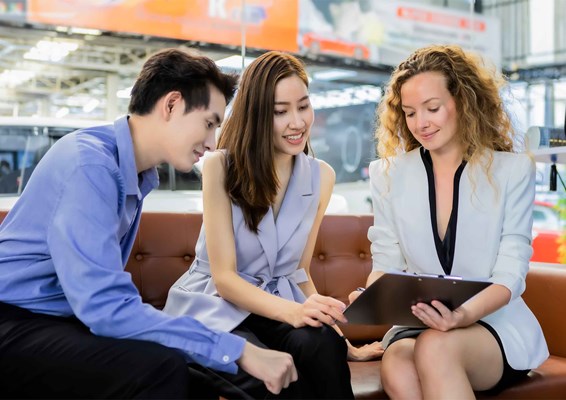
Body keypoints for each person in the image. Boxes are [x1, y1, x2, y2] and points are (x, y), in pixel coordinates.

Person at [0, 48, 298, 399]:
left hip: (55, 320)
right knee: (162, 369)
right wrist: (240, 350)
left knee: (193, 375)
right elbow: (104, 307)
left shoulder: (136, 175)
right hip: (14, 323)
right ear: (171, 105)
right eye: (209, 122)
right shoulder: (91, 166)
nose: (213, 141)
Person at [164, 50, 380, 399]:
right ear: (258, 115)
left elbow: (299, 272)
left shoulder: (321, 175)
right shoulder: (221, 167)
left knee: (323, 345)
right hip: (217, 303)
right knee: (276, 375)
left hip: (277, 303)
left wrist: (344, 344)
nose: (297, 122)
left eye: (303, 106)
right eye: (281, 112)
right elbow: (225, 279)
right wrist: (295, 312)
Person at [349, 44, 549, 398]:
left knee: (435, 347)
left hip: (491, 323)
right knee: (398, 360)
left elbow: (510, 274)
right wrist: (376, 295)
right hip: (417, 323)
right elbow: (386, 264)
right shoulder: (388, 175)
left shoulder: (512, 170)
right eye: (410, 113)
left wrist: (462, 316)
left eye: (433, 108)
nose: (420, 124)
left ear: (464, 101)